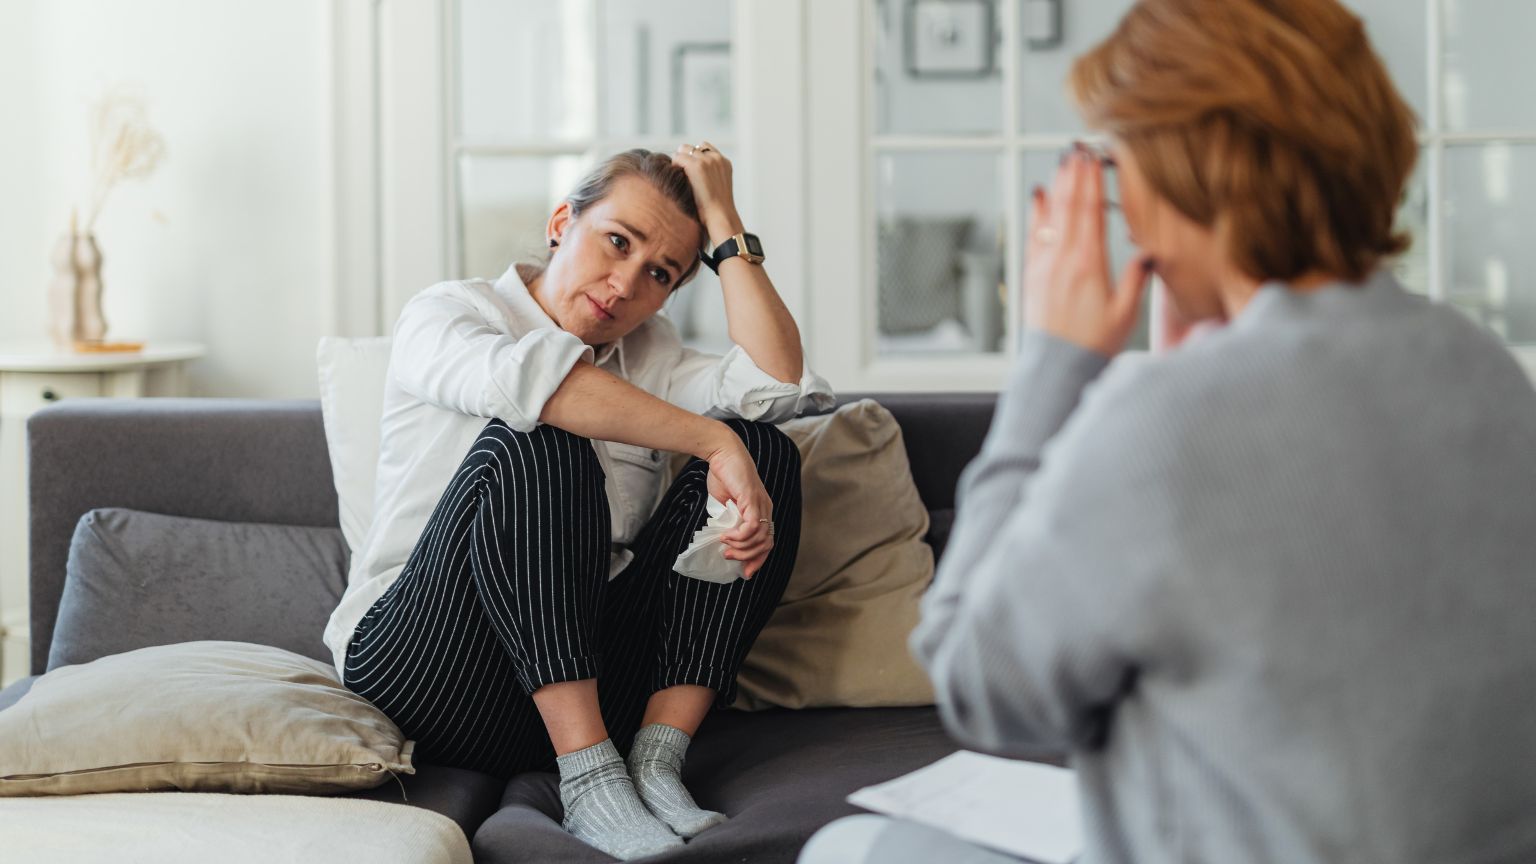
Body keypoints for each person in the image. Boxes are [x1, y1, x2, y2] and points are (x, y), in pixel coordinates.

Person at [801, 1, 1536, 862]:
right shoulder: (1482, 367)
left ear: (1187, 171)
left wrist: (1053, 365)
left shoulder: (1168, 422)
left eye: (1120, 167)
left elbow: (979, 684)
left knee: (846, 850)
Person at [323, 144, 833, 860]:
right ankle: (591, 781)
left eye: (659, 273)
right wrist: (712, 443)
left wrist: (726, 224)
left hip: (589, 675)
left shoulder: (647, 353)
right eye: (616, 241)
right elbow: (544, 387)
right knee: (542, 435)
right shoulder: (449, 313)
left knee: (767, 448)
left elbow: (779, 383)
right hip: (427, 666)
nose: (625, 284)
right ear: (563, 221)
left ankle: (653, 765)